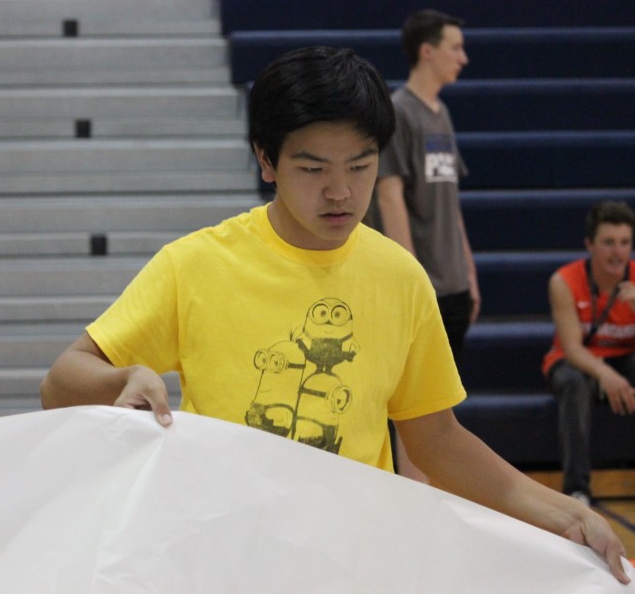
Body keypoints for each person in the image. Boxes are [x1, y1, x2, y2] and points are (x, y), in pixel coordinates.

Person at [41, 46, 630, 584]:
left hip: (351, 561)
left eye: (360, 166)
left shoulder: (399, 278)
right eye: (313, 168)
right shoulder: (195, 265)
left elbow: (438, 441)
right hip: (226, 559)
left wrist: (565, 512)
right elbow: (60, 381)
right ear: (266, 162)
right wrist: (120, 380)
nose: (341, 192)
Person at [374, 9, 479, 483]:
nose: (464, 57)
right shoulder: (399, 112)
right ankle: (413, 502)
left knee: (440, 407)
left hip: (452, 281)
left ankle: (432, 498)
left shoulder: (443, 113)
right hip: (425, 285)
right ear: (427, 50)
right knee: (412, 407)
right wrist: (414, 280)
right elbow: (389, 194)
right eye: (455, 47)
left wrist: (469, 273)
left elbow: (450, 201)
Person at [542, 200, 635, 507]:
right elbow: (571, 349)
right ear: (590, 245)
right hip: (576, 362)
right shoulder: (564, 281)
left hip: (625, 358)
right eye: (608, 242)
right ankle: (577, 490)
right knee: (574, 383)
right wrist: (608, 375)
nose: (617, 252)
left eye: (624, 243)